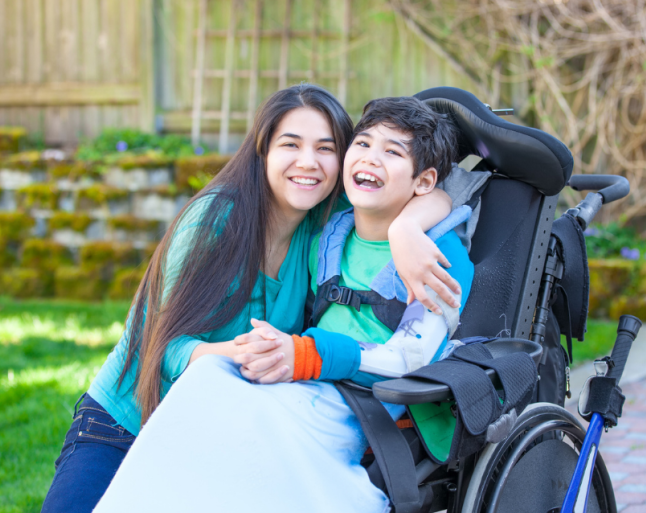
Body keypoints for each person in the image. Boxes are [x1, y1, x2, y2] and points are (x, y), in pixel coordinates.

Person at [41, 86, 462, 513]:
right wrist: (250, 354)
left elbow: (430, 192)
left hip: (218, 428)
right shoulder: (215, 220)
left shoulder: (326, 226)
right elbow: (161, 349)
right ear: (262, 150)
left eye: (325, 148)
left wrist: (404, 230)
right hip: (125, 421)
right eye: (290, 145)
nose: (308, 162)